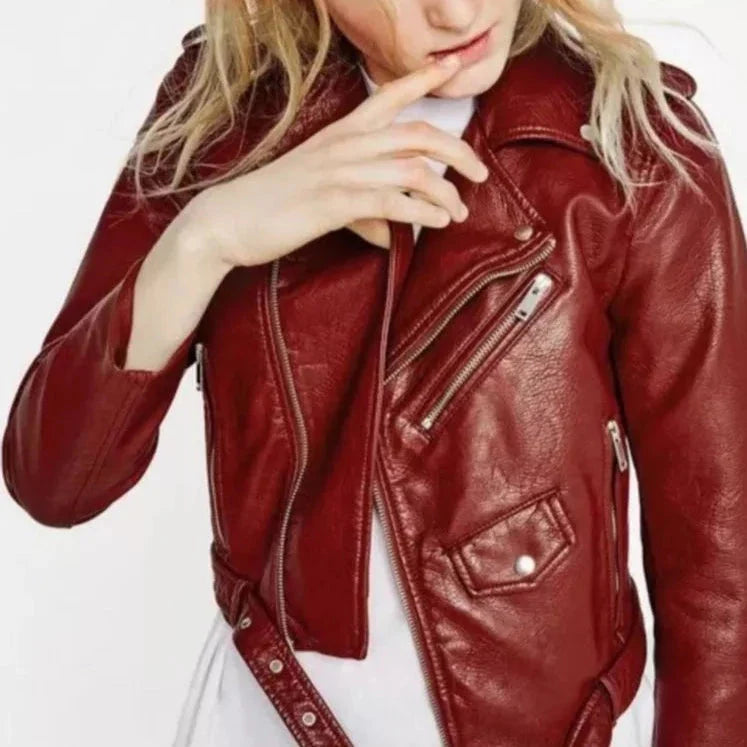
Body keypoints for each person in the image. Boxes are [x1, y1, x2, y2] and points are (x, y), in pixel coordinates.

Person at [4, 1, 744, 746]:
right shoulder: (226, 114)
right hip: (267, 715)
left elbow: (720, 559)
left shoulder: (631, 143)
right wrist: (206, 237)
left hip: (557, 726)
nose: (455, 11)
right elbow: (56, 480)